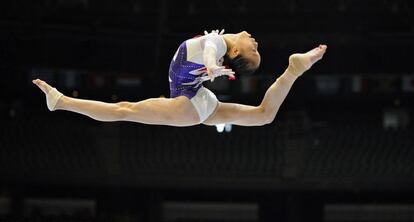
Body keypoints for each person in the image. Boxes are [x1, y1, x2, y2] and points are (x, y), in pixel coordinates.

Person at [33, 30, 327, 127]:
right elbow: (210, 47)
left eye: (254, 50)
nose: (256, 42)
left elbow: (212, 47)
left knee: (124, 110)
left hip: (189, 100)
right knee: (265, 115)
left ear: (235, 50)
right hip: (196, 97)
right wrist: (210, 66)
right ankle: (293, 71)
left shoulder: (219, 44)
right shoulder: (218, 41)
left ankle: (60, 101)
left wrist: (211, 65)